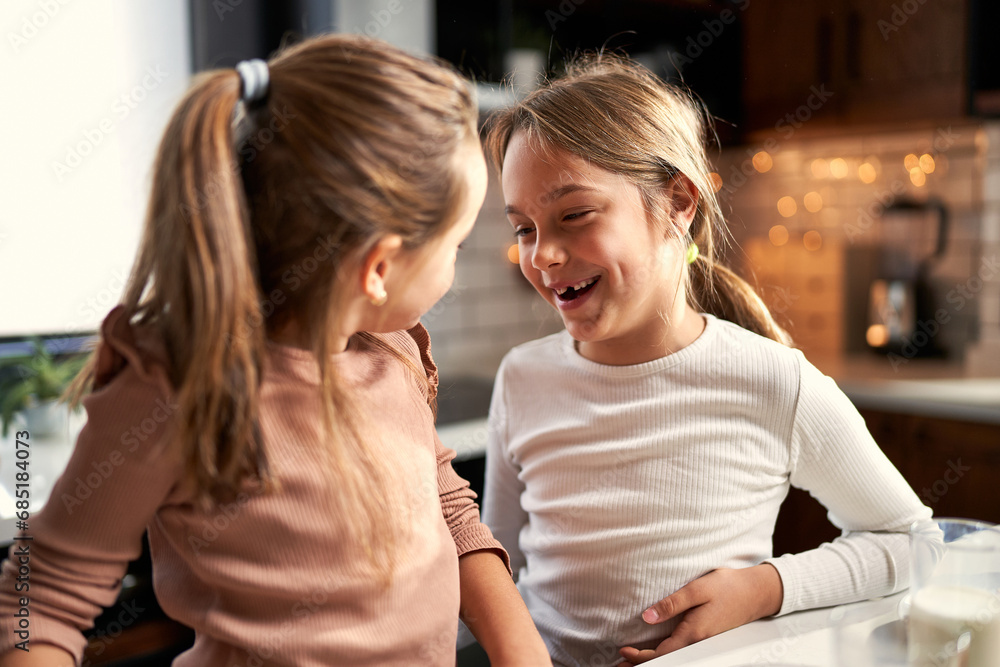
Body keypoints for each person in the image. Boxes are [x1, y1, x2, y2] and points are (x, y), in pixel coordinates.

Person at [0, 34, 550, 667]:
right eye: (453, 246)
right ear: (379, 268)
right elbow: (40, 597)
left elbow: (446, 508)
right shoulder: (176, 386)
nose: (454, 266)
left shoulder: (390, 351)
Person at [480, 54, 931, 667]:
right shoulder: (522, 378)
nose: (544, 255)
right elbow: (498, 564)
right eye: (524, 228)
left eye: (574, 215)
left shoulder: (773, 380)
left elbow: (910, 540)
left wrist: (760, 591)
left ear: (678, 202)